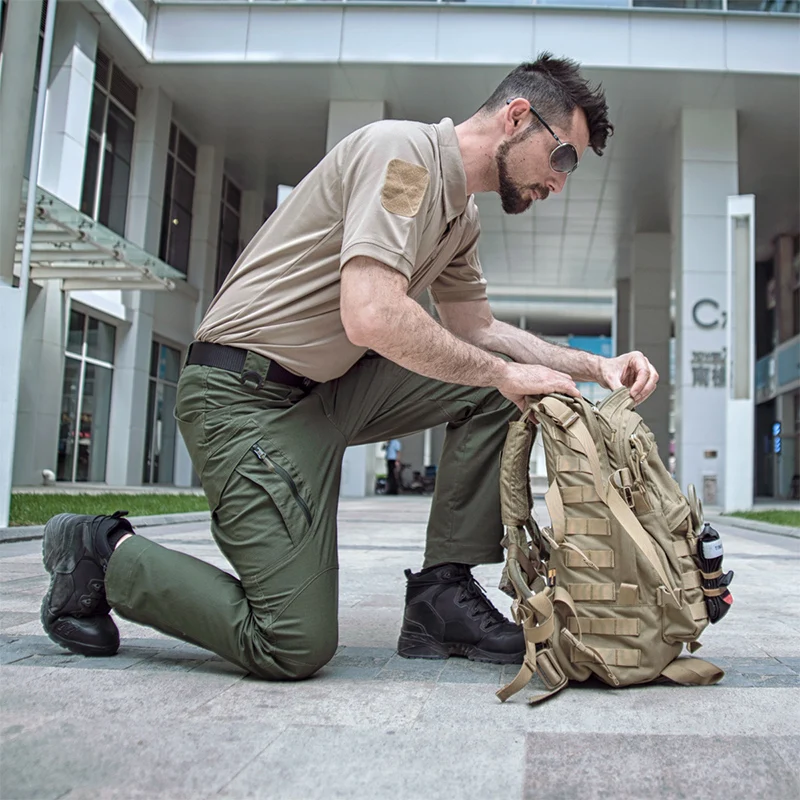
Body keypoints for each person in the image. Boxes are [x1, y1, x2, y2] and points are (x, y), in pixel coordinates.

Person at [40, 54, 659, 676]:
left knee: (501, 388)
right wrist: (502, 372)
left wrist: (593, 366)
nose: (560, 183)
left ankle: (441, 596)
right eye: (564, 158)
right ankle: (99, 550)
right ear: (516, 117)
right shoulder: (405, 158)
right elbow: (371, 315)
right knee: (292, 644)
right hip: (243, 398)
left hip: (328, 391)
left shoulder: (459, 216)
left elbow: (479, 329)